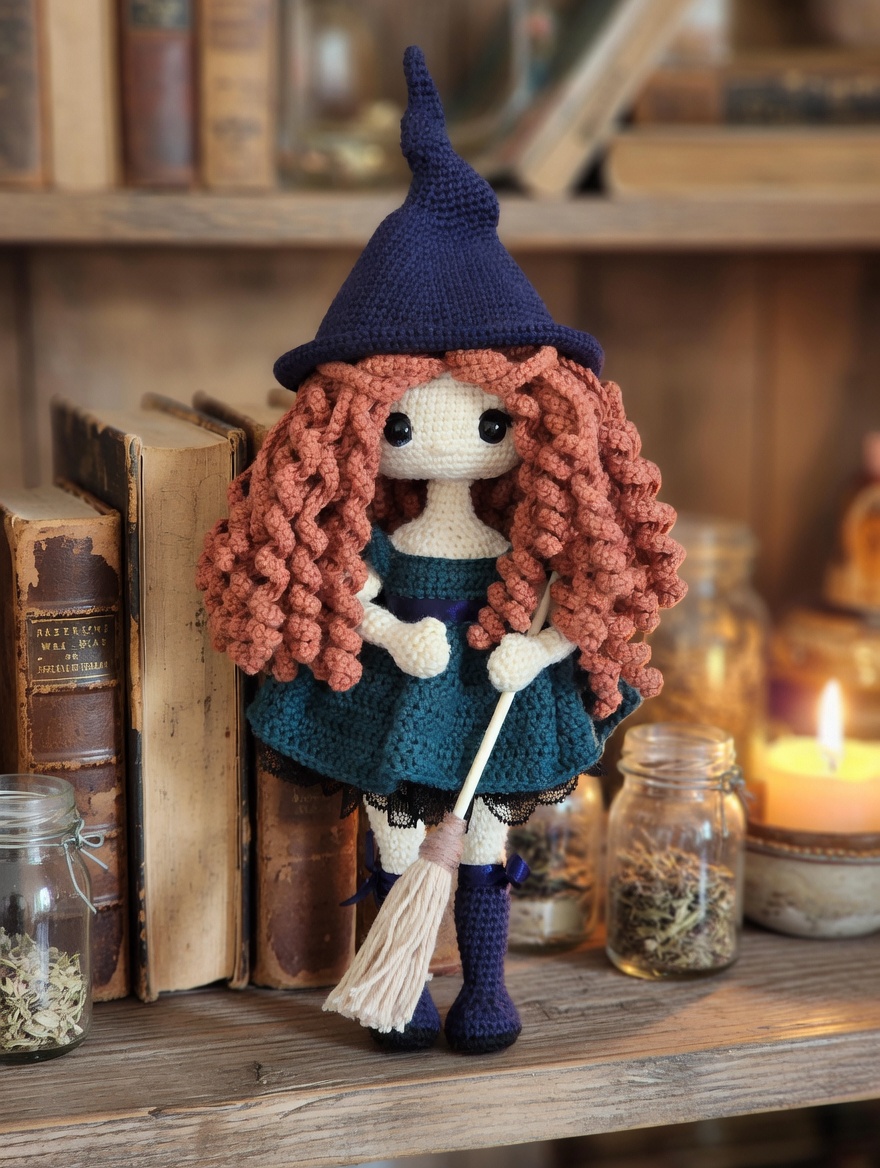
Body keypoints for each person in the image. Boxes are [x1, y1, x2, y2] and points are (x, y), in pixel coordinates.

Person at [197, 47, 685, 1055]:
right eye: (404, 424)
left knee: (485, 843)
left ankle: (486, 992)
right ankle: (404, 986)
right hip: (399, 698)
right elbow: (344, 590)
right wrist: (385, 631)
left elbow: (579, 603)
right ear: (354, 421)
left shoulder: (529, 545)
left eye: (491, 421)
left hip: (494, 697)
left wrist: (541, 650)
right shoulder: (381, 537)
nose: (453, 442)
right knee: (393, 839)